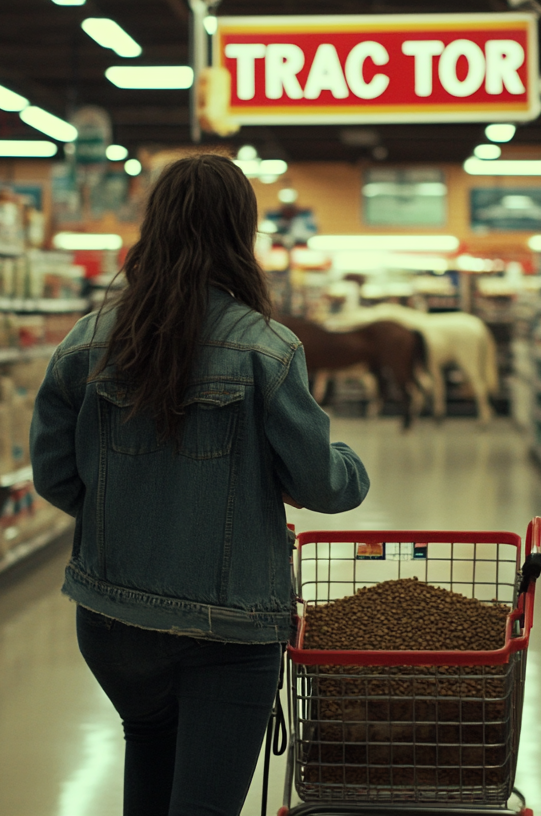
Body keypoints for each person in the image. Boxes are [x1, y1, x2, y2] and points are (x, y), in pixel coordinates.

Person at [30, 153, 370, 816]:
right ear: (240, 235)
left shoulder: (85, 343)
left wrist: (121, 507)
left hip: (111, 622)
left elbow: (54, 475)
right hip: (227, 628)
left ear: (153, 228)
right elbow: (322, 484)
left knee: (149, 751)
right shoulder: (267, 349)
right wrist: (351, 462)